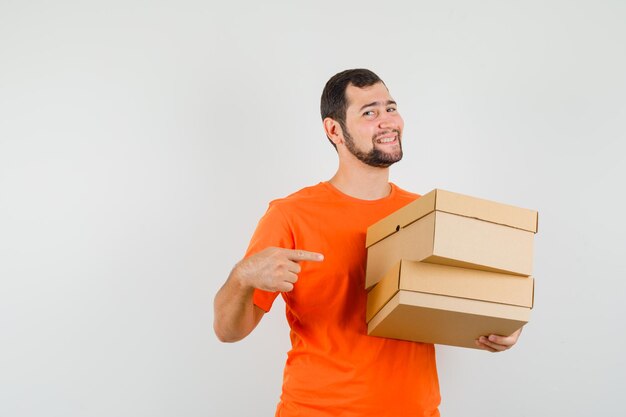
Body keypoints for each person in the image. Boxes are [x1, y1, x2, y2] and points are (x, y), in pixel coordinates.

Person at [213, 68, 522, 416]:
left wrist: (501, 327)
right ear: (334, 130)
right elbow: (228, 331)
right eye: (369, 112)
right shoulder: (290, 215)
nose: (387, 121)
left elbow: (459, 298)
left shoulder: (424, 214)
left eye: (391, 108)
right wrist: (241, 277)